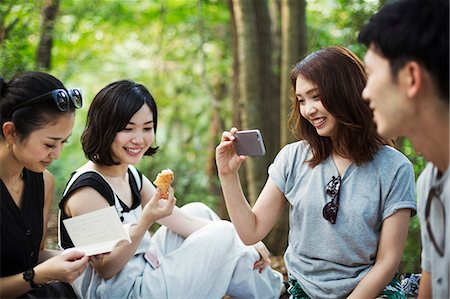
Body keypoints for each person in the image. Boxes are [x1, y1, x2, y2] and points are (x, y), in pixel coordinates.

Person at [216, 46, 417, 299]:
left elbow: (388, 261)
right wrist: (227, 174)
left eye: (316, 96)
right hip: (305, 290)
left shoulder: (395, 168)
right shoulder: (292, 158)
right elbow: (251, 231)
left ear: (346, 93)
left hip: (370, 292)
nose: (308, 110)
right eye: (301, 100)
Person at [58, 80, 283, 299]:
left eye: (147, 128)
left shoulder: (130, 175)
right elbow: (107, 269)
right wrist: (146, 220)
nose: (139, 139)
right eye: (127, 129)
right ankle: (273, 291)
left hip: (144, 270)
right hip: (124, 291)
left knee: (198, 212)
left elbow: (185, 223)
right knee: (222, 232)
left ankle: (275, 291)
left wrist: (248, 240)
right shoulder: (87, 190)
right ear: (104, 128)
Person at [358, 1, 449, 298]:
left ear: (411, 77)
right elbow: (432, 283)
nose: (365, 93)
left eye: (372, 75)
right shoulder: (431, 180)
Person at [0, 71, 89, 298]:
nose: (57, 154)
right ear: (11, 132)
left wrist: (81, 255)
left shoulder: (44, 181)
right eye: (50, 143)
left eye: (63, 142)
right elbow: (34, 270)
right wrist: (36, 276)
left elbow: (33, 255)